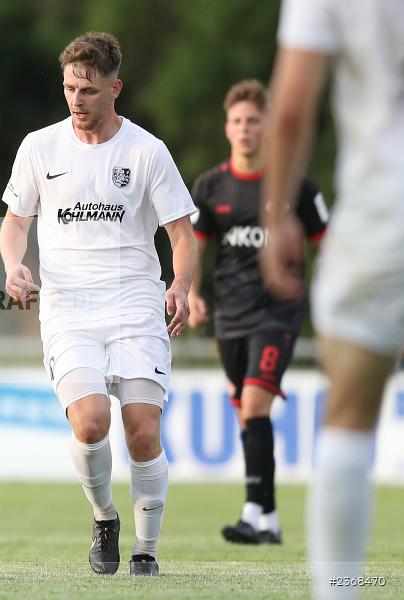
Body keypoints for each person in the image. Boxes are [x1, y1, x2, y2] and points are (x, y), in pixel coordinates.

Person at [0, 31, 198, 577]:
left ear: (115, 88)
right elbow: (16, 221)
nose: (76, 100)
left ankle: (146, 551)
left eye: (88, 90)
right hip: (68, 308)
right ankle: (104, 515)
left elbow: (182, 233)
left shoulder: (146, 151)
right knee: (89, 423)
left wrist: (181, 285)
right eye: (68, 88)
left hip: (135, 306)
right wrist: (14, 265)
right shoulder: (40, 147)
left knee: (142, 430)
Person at [260, 1, 404, 598]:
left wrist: (278, 210)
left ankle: (337, 592)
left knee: (349, 415)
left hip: (384, 213)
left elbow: (292, 107)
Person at [187, 79, 328, 545]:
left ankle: (252, 513)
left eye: (253, 120)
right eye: (237, 121)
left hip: (278, 314)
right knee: (250, 416)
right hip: (230, 317)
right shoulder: (210, 187)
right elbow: (193, 247)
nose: (245, 128)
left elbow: (326, 244)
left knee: (254, 404)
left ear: (266, 127)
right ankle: (268, 519)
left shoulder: (296, 186)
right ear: (227, 128)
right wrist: (190, 294)